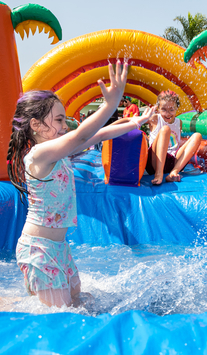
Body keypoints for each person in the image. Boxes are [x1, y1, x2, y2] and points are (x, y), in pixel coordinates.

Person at [7, 62, 156, 308]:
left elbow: (98, 135)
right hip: (39, 250)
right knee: (62, 316)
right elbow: (82, 135)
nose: (65, 126)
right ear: (35, 125)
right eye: (58, 119)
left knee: (80, 302)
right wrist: (110, 105)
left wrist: (135, 123)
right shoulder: (38, 155)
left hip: (59, 247)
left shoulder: (58, 153)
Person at [146, 90, 202, 185]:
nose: (168, 113)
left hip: (172, 162)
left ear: (177, 108)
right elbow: (135, 122)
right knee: (165, 129)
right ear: (158, 109)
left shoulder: (178, 122)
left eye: (171, 109)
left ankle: (174, 172)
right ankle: (158, 174)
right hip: (155, 162)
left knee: (197, 136)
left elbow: (176, 144)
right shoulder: (155, 119)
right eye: (163, 109)